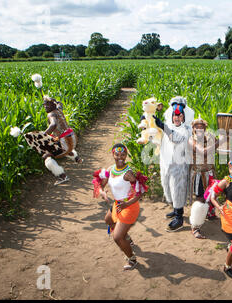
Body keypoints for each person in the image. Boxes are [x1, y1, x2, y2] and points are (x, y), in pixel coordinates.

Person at [94, 143, 147, 271]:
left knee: (117, 237)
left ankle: (132, 259)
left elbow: (140, 192)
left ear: (126, 155)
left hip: (130, 205)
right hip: (118, 204)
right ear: (113, 154)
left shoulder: (128, 173)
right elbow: (101, 184)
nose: (120, 157)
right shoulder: (111, 169)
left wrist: (127, 204)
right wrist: (102, 192)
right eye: (117, 154)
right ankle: (127, 238)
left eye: (123, 154)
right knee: (108, 220)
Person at [154, 96, 194, 232]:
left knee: (177, 188)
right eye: (175, 116)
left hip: (179, 165)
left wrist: (163, 127)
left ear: (184, 117)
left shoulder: (187, 129)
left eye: (180, 116)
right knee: (168, 186)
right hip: (167, 164)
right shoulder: (169, 126)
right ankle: (175, 209)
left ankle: (179, 217)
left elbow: (176, 138)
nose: (177, 118)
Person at [187, 117, 223, 239]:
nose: (199, 129)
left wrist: (224, 139)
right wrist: (219, 142)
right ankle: (195, 226)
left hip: (209, 172)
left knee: (212, 194)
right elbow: (203, 152)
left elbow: (219, 146)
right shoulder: (192, 140)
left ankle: (209, 213)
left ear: (205, 128)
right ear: (193, 129)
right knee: (200, 199)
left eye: (201, 126)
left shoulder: (210, 137)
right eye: (196, 127)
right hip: (199, 174)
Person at [42, 95, 83, 185]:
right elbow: (60, 103)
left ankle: (62, 176)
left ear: (52, 106)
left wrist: (43, 136)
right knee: (56, 144)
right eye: (44, 105)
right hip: (72, 137)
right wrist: (54, 101)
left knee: (46, 157)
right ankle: (77, 158)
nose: (45, 107)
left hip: (66, 141)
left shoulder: (51, 114)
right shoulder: (58, 109)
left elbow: (53, 124)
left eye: (47, 105)